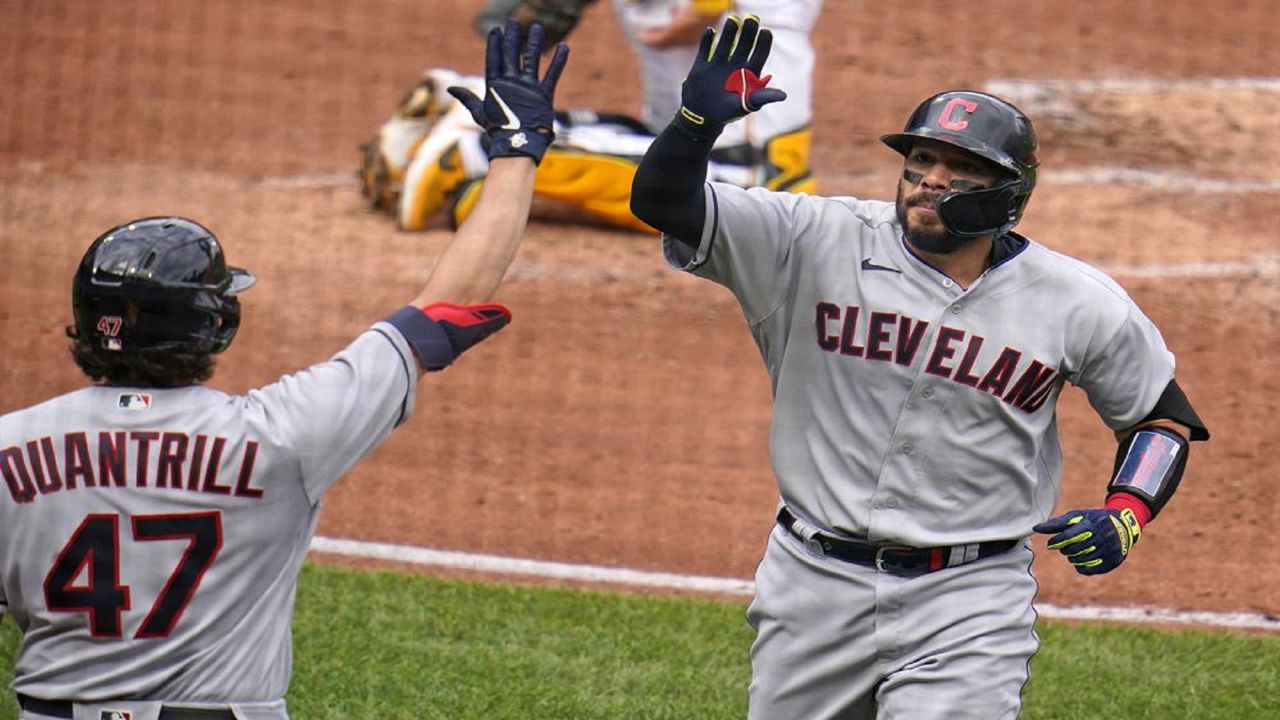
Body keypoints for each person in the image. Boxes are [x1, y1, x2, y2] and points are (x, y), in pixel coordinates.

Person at [629, 15, 1209, 719]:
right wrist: (694, 125)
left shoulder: (1076, 302)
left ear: (1010, 194)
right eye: (920, 163)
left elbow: (1159, 417)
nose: (929, 181)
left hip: (969, 599)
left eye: (960, 170)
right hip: (811, 584)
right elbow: (663, 204)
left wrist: (1127, 512)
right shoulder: (811, 240)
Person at [0, 21, 567, 720]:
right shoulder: (285, 436)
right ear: (215, 324)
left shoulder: (8, 451)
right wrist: (516, 153)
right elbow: (451, 302)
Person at [359, 0, 819, 232]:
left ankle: (477, 109)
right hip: (736, 125)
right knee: (759, 190)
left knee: (665, 142)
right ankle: (474, 151)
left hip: (681, 102)